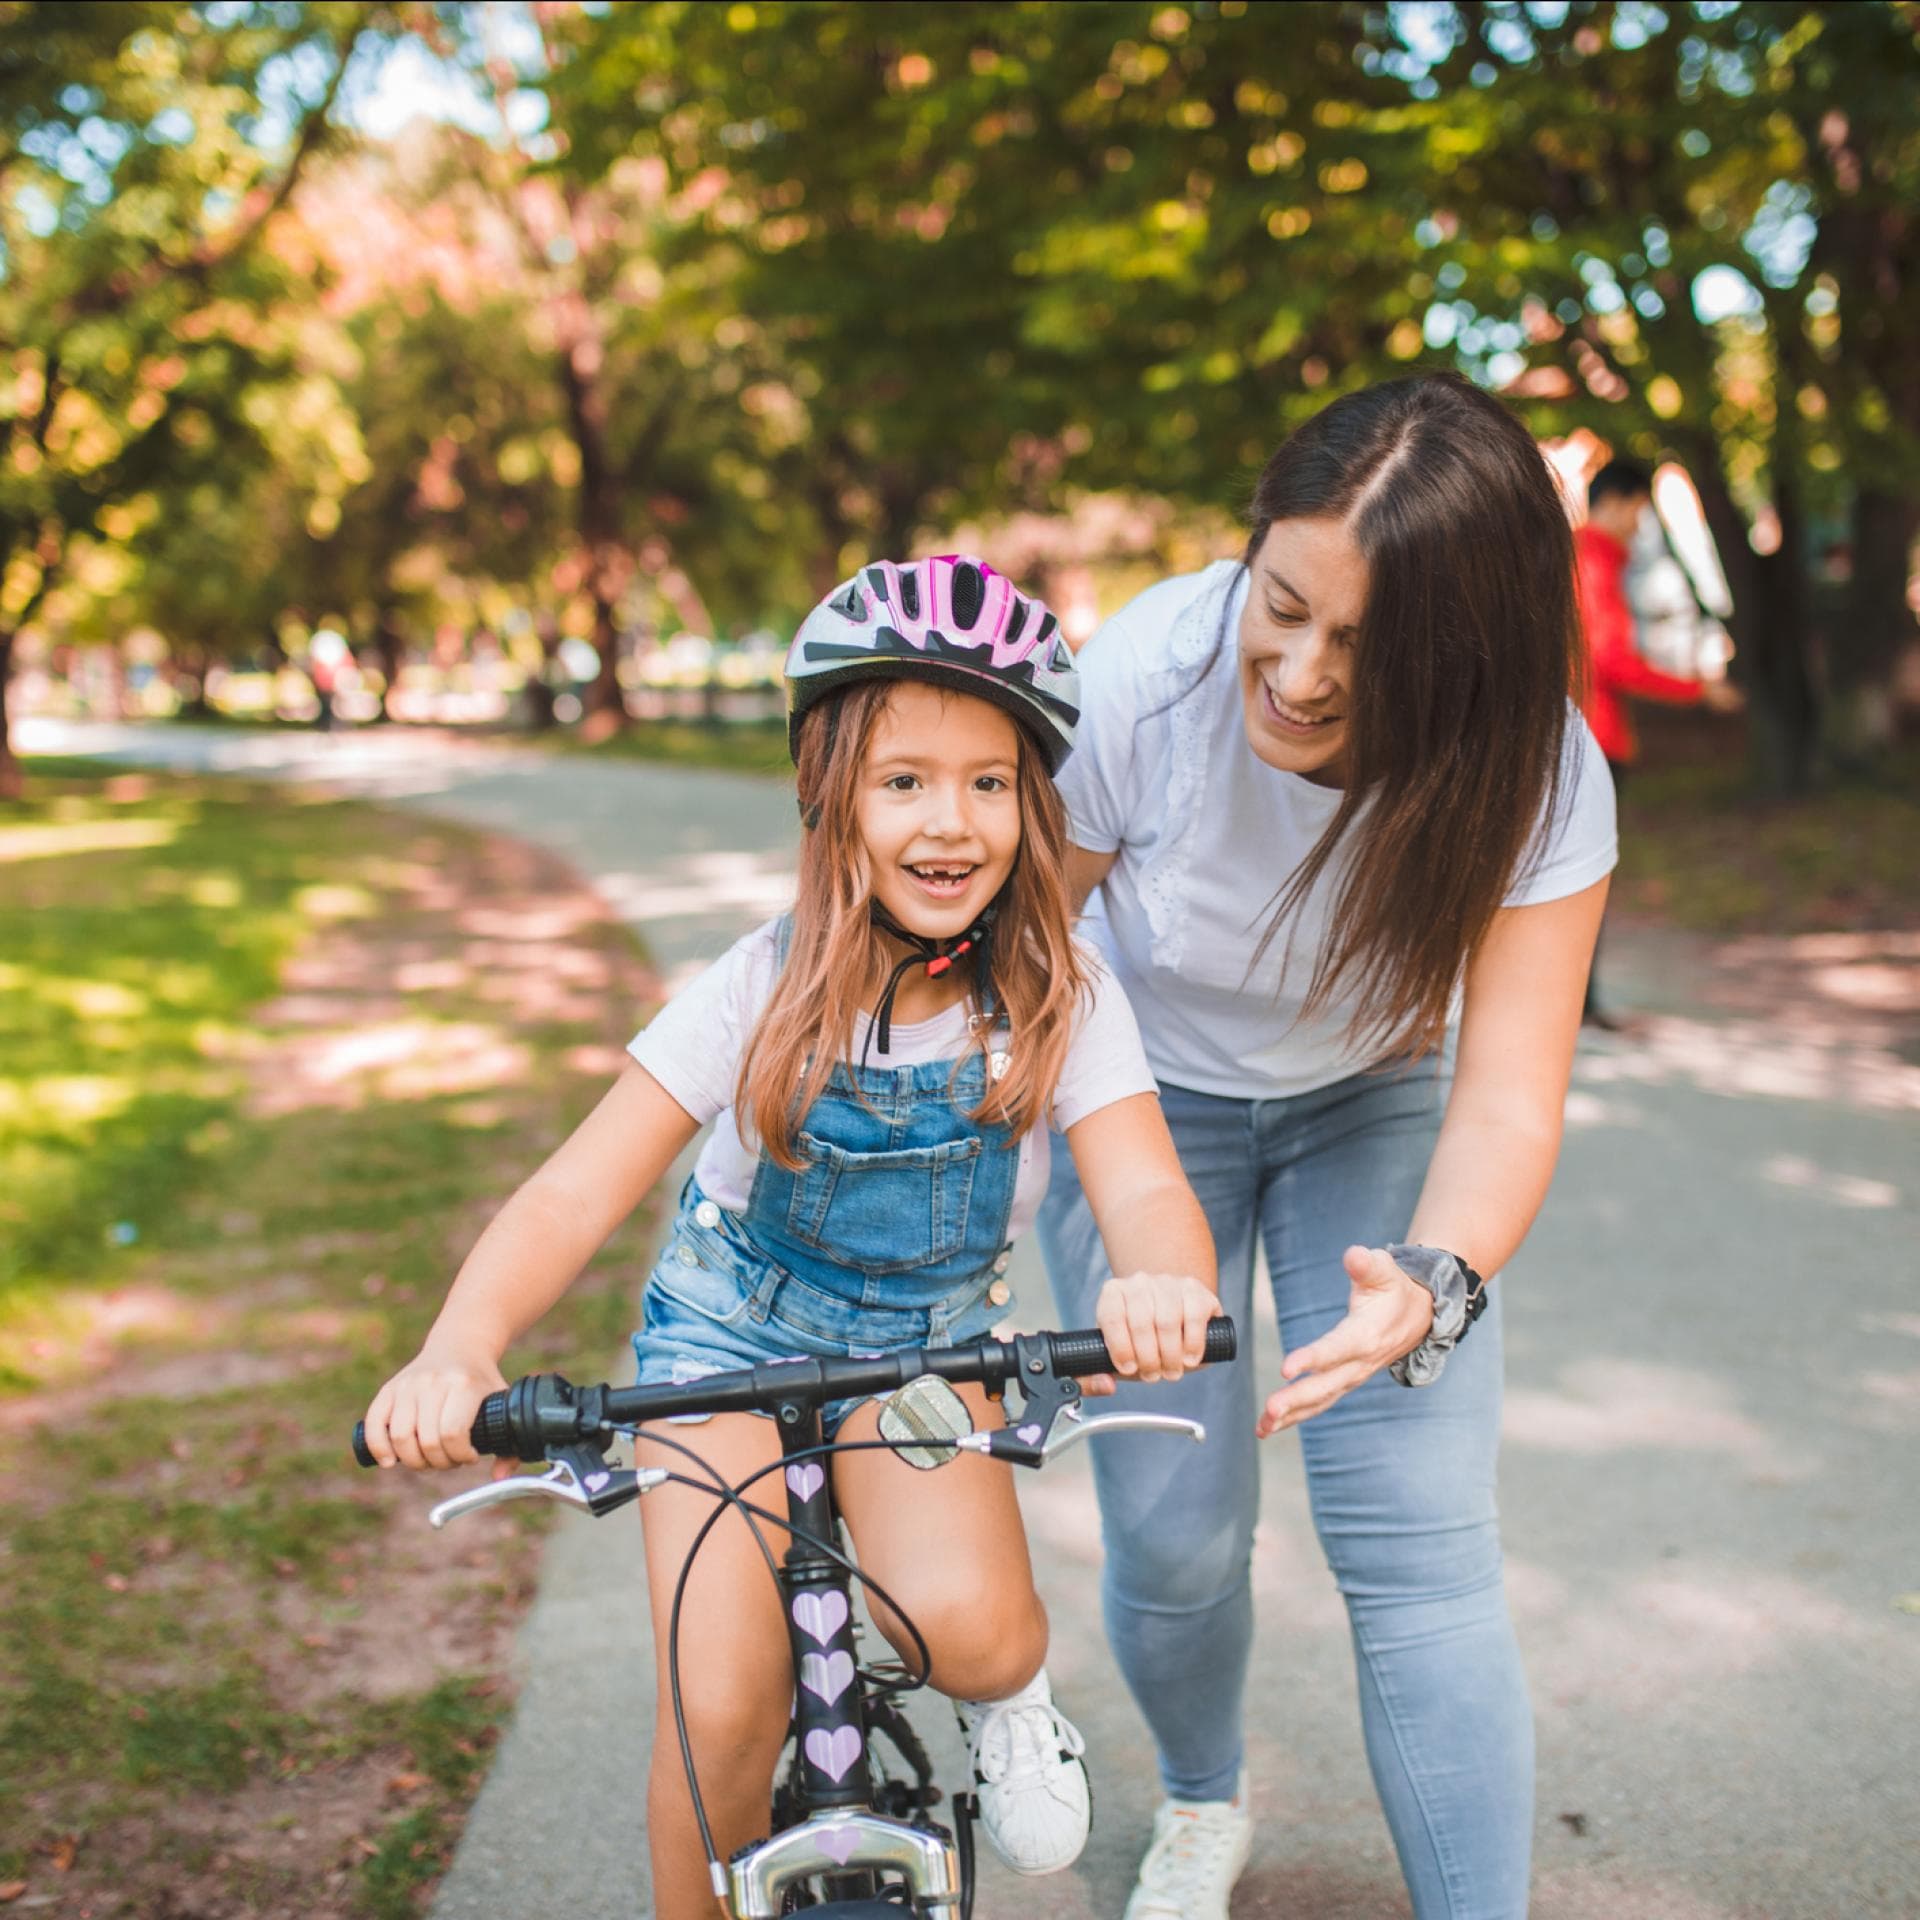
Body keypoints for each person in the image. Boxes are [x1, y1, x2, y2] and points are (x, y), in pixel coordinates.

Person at [360, 555, 1221, 1920]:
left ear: (1034, 804)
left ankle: (1011, 1700)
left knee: (968, 1631)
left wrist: (1162, 1282)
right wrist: (460, 1349)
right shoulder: (757, 988)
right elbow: (573, 1193)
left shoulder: (1062, 994)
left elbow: (1149, 1189)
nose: (952, 822)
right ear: (831, 800)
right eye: (904, 781)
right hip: (725, 1339)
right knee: (721, 1713)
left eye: (990, 782)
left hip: (925, 1352)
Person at [1036, 375, 1618, 1920]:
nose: (1296, 675)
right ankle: (1202, 1800)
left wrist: (1435, 1274)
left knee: (1420, 1541)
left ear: (1463, 661)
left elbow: (1509, 1094)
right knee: (1176, 1533)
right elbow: (1026, 954)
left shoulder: (1541, 774)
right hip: (1137, 1095)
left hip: (1370, 1098)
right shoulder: (1150, 675)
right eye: (1281, 606)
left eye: (1361, 647)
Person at [1573, 457, 1731, 1029]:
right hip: (1592, 741)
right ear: (1615, 502)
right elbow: (1610, 659)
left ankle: (1580, 1003)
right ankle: (1580, 1005)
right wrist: (1695, 690)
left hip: (1582, 737)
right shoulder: (1591, 562)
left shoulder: (1576, 560)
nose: (1639, 527)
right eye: (1638, 512)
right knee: (1583, 877)